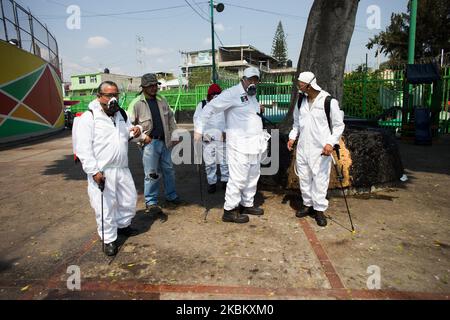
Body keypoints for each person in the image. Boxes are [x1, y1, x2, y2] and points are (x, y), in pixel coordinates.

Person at [75, 81, 142, 256]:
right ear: (99, 97)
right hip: (102, 171)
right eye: (109, 95)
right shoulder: (89, 118)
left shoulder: (121, 114)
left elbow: (128, 134)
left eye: (116, 95)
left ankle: (123, 225)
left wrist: (136, 131)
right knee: (105, 206)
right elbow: (83, 148)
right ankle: (109, 239)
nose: (113, 99)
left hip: (122, 168)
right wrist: (94, 171)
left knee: (129, 199)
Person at [194, 67, 270, 224]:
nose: (253, 83)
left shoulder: (252, 95)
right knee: (238, 178)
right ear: (243, 79)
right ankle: (229, 210)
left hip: (254, 143)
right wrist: (199, 130)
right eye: (250, 79)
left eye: (256, 80)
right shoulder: (231, 93)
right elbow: (209, 108)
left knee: (252, 176)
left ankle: (247, 203)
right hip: (238, 145)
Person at [287, 71, 345, 227]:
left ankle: (319, 210)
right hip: (303, 148)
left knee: (320, 179)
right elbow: (296, 123)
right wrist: (293, 137)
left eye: (300, 83)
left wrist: (330, 143)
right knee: (304, 177)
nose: (298, 86)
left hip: (320, 150)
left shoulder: (328, 101)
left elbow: (339, 126)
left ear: (309, 84)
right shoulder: (301, 101)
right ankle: (308, 204)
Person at [128, 73, 183, 215]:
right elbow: (129, 126)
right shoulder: (136, 103)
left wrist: (174, 133)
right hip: (149, 143)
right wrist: (142, 137)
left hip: (165, 141)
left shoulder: (161, 99)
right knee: (152, 173)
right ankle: (151, 202)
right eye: (150, 86)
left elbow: (170, 117)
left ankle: (171, 195)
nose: (153, 88)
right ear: (144, 87)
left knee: (168, 169)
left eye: (155, 85)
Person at [193, 84, 229, 193]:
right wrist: (201, 134)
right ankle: (211, 182)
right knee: (209, 163)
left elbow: (229, 119)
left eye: (218, 94)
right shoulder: (203, 105)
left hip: (222, 137)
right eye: (213, 94)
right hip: (208, 138)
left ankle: (225, 181)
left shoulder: (224, 105)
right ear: (209, 95)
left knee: (224, 161)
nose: (215, 96)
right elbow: (197, 120)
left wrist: (226, 132)